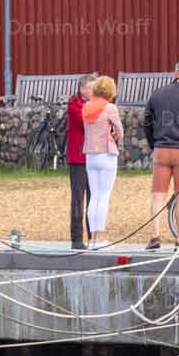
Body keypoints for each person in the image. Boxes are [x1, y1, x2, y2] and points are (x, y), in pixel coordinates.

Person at [144, 59, 179, 249]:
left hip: (161, 149)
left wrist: (154, 144)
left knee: (158, 195)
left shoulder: (157, 94)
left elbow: (147, 122)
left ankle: (154, 236)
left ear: (175, 72)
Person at [82, 76, 124, 245]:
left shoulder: (86, 106)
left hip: (90, 154)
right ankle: (100, 238)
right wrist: (114, 135)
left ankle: (92, 239)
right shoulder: (110, 108)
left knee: (94, 197)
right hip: (106, 153)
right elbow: (120, 130)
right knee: (104, 197)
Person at [66, 74, 96, 250]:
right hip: (78, 158)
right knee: (78, 199)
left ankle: (94, 236)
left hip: (94, 156)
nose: (94, 92)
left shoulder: (94, 104)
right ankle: (76, 239)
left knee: (94, 198)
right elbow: (86, 121)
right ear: (83, 89)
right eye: (92, 88)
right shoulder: (74, 105)